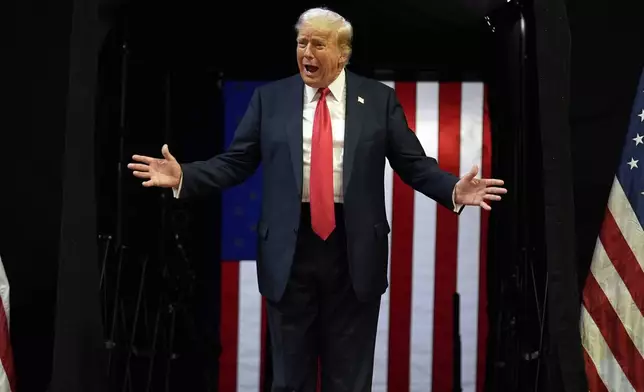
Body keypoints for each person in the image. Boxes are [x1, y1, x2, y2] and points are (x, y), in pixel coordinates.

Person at [128, 7, 507, 392]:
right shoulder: (269, 100)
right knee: (291, 379)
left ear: (342, 53)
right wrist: (185, 175)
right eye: (301, 43)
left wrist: (452, 189)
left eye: (318, 44)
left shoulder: (378, 101)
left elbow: (413, 164)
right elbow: (236, 162)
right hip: (290, 251)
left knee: (350, 380)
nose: (306, 53)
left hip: (353, 249)